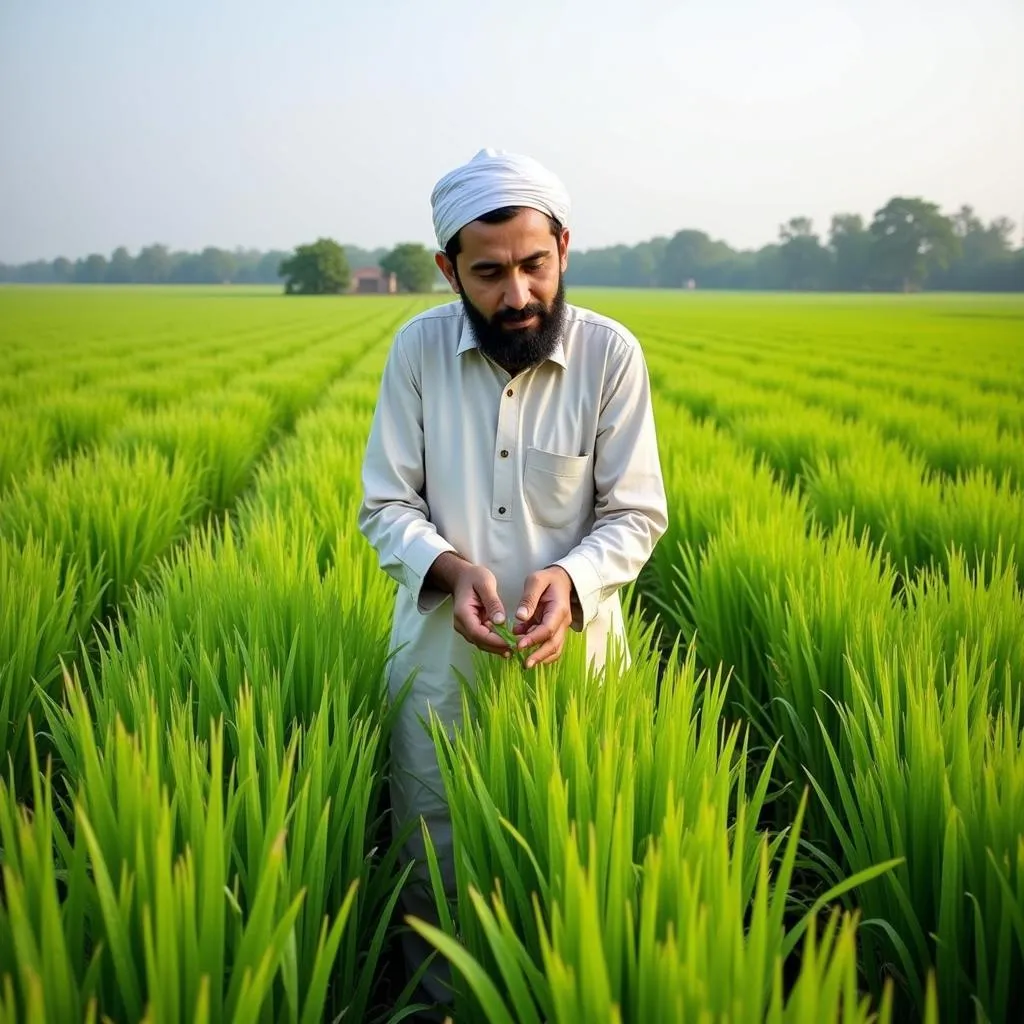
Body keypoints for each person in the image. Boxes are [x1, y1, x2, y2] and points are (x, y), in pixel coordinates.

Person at [357, 147, 668, 1011]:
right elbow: (385, 505)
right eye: (488, 273)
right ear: (446, 268)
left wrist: (568, 582)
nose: (518, 294)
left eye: (534, 265)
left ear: (564, 247)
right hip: (438, 668)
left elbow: (636, 514)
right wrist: (452, 570)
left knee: (575, 853)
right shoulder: (416, 351)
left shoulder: (611, 356)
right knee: (436, 856)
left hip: (574, 664)